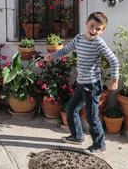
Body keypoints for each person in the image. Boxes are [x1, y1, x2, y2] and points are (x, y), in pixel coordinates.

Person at [44, 11, 119, 154]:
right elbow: (66, 50)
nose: (94, 31)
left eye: (98, 29)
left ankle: (99, 145)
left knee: (91, 117)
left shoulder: (99, 43)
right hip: (82, 83)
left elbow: (114, 60)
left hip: (92, 85)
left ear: (103, 31)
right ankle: (77, 136)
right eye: (92, 26)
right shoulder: (79, 38)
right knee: (71, 109)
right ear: (86, 23)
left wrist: (114, 80)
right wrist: (52, 56)